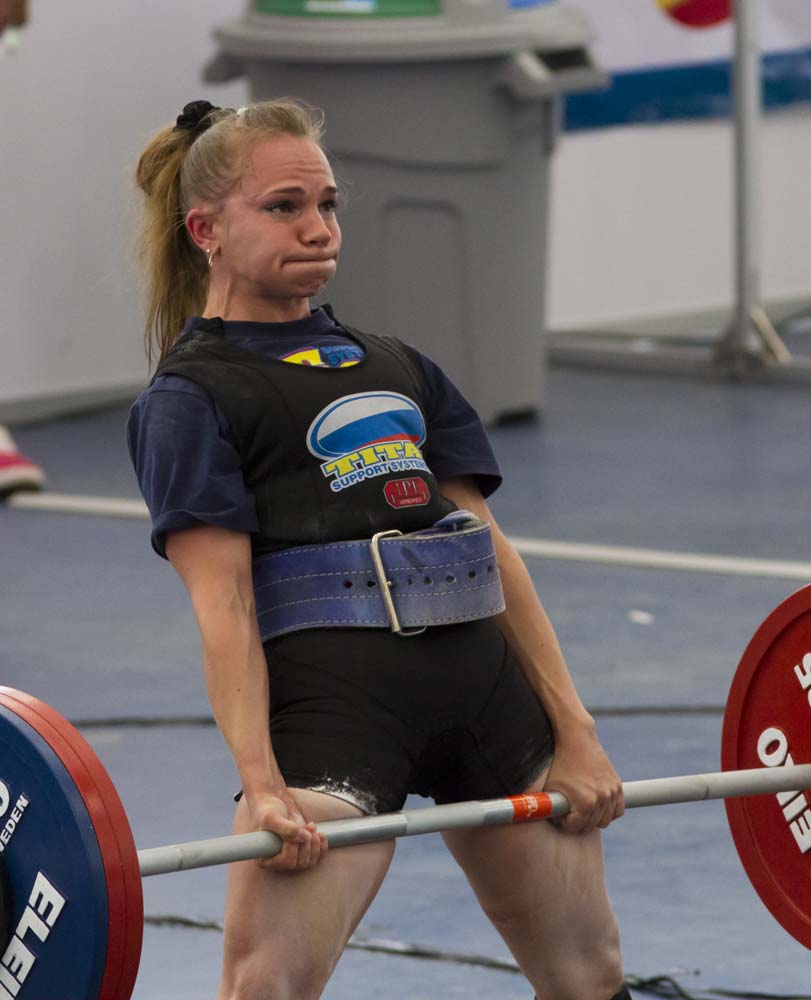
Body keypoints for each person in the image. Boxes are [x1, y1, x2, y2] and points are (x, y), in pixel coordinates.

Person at [128, 98, 629, 1000]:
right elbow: (224, 604)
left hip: (490, 705)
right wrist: (261, 783)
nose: (317, 228)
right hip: (338, 720)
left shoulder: (398, 364)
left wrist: (575, 731)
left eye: (327, 204)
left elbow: (491, 550)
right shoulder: (191, 398)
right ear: (206, 230)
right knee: (265, 991)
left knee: (591, 980)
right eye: (283, 207)